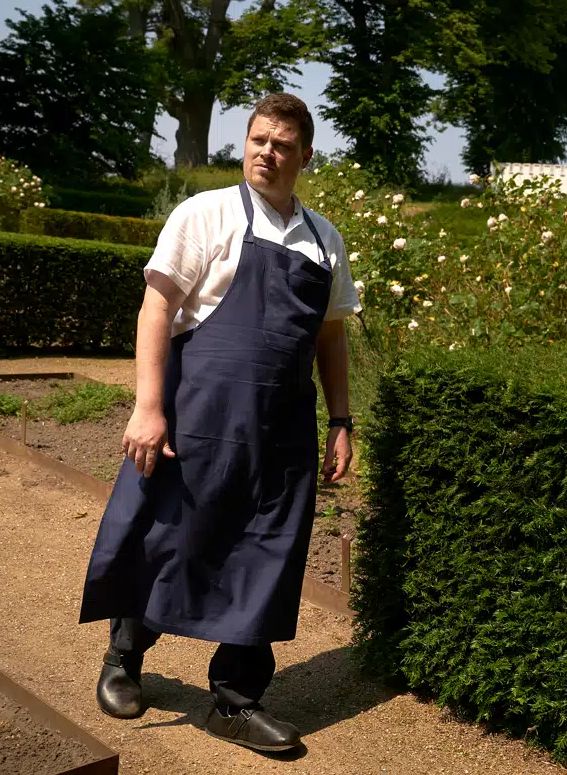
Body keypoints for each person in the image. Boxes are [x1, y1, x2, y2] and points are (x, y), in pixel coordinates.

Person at [78, 93, 361, 753]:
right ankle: (124, 659)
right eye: (258, 140)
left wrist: (341, 420)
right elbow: (156, 307)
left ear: (305, 155)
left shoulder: (324, 240)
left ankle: (235, 700)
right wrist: (148, 408)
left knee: (268, 555)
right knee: (169, 538)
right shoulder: (205, 214)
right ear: (246, 143)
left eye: (282, 145)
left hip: (283, 433)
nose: (267, 153)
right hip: (199, 417)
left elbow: (330, 336)